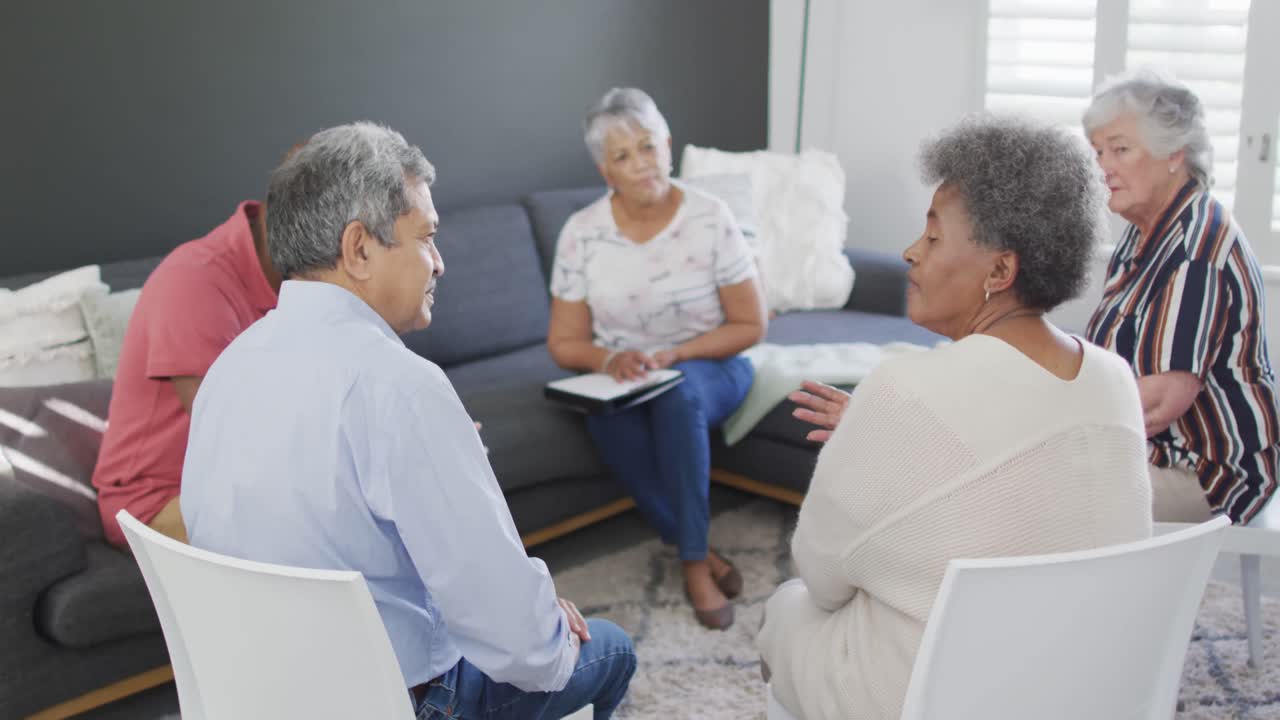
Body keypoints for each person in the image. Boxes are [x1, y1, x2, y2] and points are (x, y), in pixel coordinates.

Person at [180, 122, 635, 719]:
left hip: (265, 694)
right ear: (359, 249)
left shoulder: (231, 364)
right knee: (610, 649)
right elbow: (517, 644)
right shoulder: (398, 385)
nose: (439, 263)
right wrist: (547, 627)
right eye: (427, 237)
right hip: (393, 703)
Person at [758, 114, 1154, 719]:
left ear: (1000, 271)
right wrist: (879, 436)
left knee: (787, 607)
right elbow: (1019, 474)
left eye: (934, 236)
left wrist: (873, 435)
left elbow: (822, 575)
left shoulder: (904, 389)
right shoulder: (1113, 378)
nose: (910, 251)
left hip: (932, 698)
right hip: (1081, 690)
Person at [546, 88, 768, 630]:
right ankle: (701, 548)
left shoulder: (710, 217)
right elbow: (565, 343)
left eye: (648, 146)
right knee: (604, 421)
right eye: (623, 156)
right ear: (606, 171)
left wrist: (677, 353)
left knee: (679, 395)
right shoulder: (582, 233)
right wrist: (609, 359)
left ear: (668, 145)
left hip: (712, 365)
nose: (642, 163)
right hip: (630, 378)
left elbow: (751, 325)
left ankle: (692, 565)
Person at [1084, 69, 1280, 524]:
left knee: (1042, 492)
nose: (1103, 167)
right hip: (1157, 450)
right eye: (1098, 152)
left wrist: (1058, 420)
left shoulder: (1196, 249)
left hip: (1209, 474)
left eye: (1120, 149)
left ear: (1174, 153)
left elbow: (1159, 403)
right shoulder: (1146, 232)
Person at [93, 193, 282, 547]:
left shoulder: (303, 286)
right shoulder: (194, 279)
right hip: (156, 498)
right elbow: (232, 438)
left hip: (229, 485)